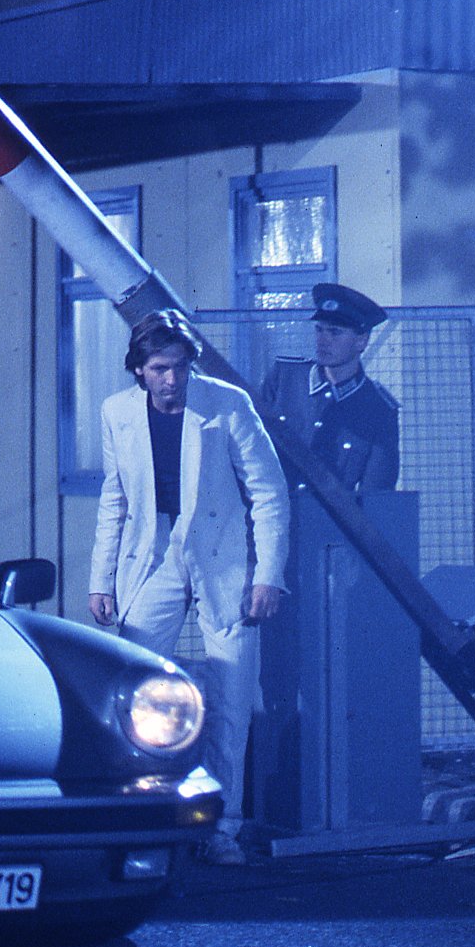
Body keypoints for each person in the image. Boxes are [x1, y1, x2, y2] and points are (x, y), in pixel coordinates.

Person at [89, 309, 289, 865]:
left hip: (222, 560)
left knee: (231, 699)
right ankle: (142, 823)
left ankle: (222, 828)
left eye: (180, 366)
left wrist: (267, 576)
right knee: (134, 690)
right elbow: (115, 497)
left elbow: (269, 494)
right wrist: (101, 579)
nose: (172, 379)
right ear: (139, 369)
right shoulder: (116, 412)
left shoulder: (228, 404)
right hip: (152, 556)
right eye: (159, 368)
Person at [258, 282, 399, 492]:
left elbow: (377, 492)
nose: (323, 340)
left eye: (335, 332)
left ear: (361, 341)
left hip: (330, 513)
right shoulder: (285, 378)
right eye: (319, 330)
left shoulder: (378, 408)